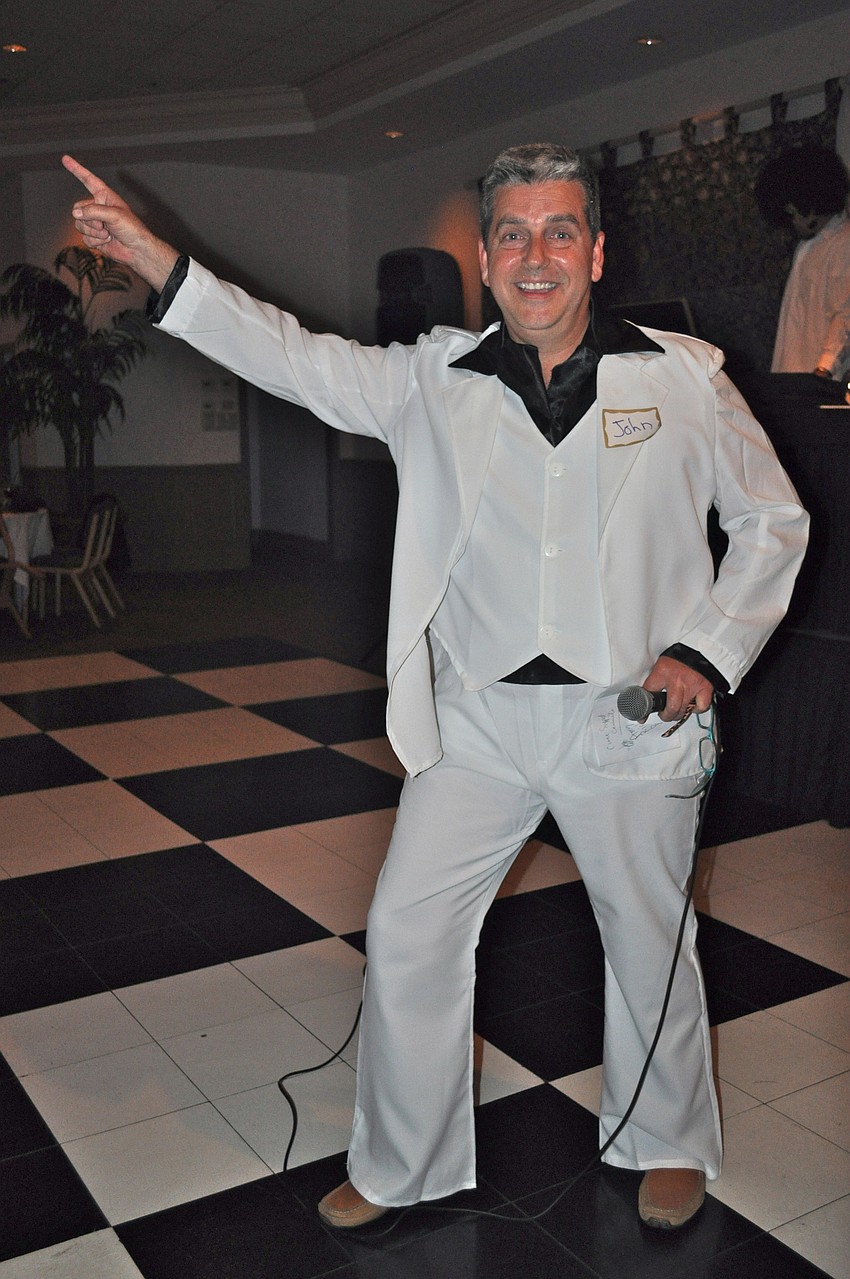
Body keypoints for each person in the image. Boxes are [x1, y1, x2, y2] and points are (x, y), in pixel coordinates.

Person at [66, 144, 808, 1232]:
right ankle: (402, 1159)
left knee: (650, 937)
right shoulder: (430, 377)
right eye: (512, 233)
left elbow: (771, 522)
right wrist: (160, 265)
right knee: (409, 930)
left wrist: (705, 649)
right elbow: (290, 356)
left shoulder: (682, 378)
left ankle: (666, 1138)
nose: (536, 254)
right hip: (479, 723)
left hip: (628, 723)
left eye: (560, 230)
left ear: (596, 251)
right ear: (485, 255)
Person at [755, 144, 850, 384]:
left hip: (823, 383)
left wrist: (823, 370)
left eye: (793, 212)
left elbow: (845, 313)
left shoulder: (843, 243)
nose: (792, 222)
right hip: (798, 379)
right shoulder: (807, 247)